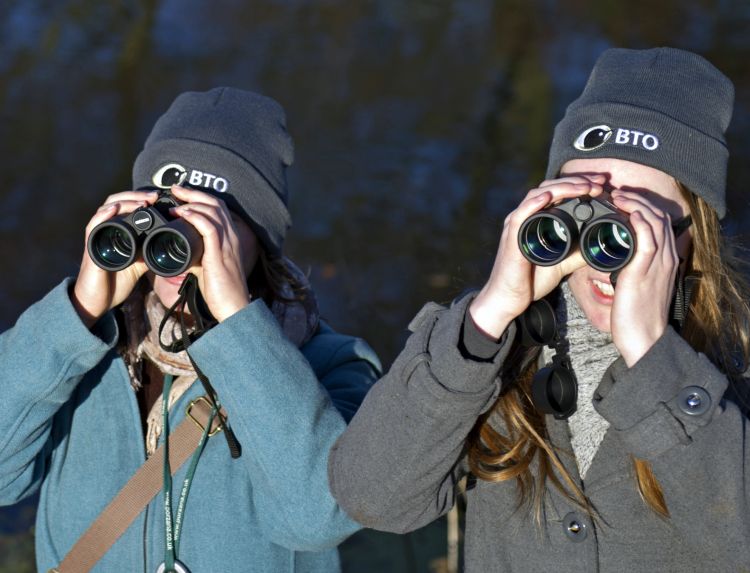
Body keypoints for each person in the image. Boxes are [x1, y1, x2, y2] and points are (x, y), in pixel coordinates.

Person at [328, 47, 750, 571]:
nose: (604, 250)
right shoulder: (497, 353)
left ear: (693, 234)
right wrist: (487, 317)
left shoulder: (735, 369)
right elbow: (371, 497)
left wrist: (652, 353)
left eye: (638, 219)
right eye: (586, 208)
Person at [0, 87, 380, 572]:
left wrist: (238, 325)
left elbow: (317, 519)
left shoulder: (335, 366)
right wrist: (77, 311)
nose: (184, 238)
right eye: (168, 214)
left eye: (212, 219)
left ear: (259, 241)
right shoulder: (84, 349)